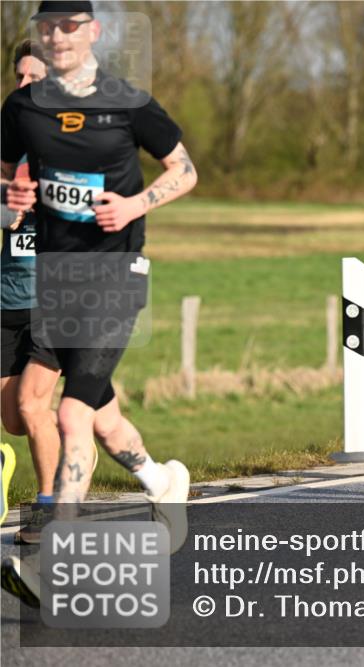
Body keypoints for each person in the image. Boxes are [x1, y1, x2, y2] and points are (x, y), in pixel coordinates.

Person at [0, 0, 198, 607]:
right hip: (57, 286)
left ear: (93, 32)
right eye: (48, 27)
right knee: (100, 415)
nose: (58, 37)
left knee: (70, 414)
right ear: (38, 34)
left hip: (117, 279)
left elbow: (184, 169)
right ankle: (160, 480)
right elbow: (8, 176)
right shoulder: (22, 108)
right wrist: (14, 195)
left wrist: (137, 206)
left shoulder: (128, 102)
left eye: (70, 26)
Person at [0, 39, 77, 545]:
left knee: (32, 406)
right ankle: (87, 431)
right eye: (21, 78)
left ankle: (51, 510)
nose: (27, 87)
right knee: (14, 420)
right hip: (7, 300)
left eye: (37, 79)